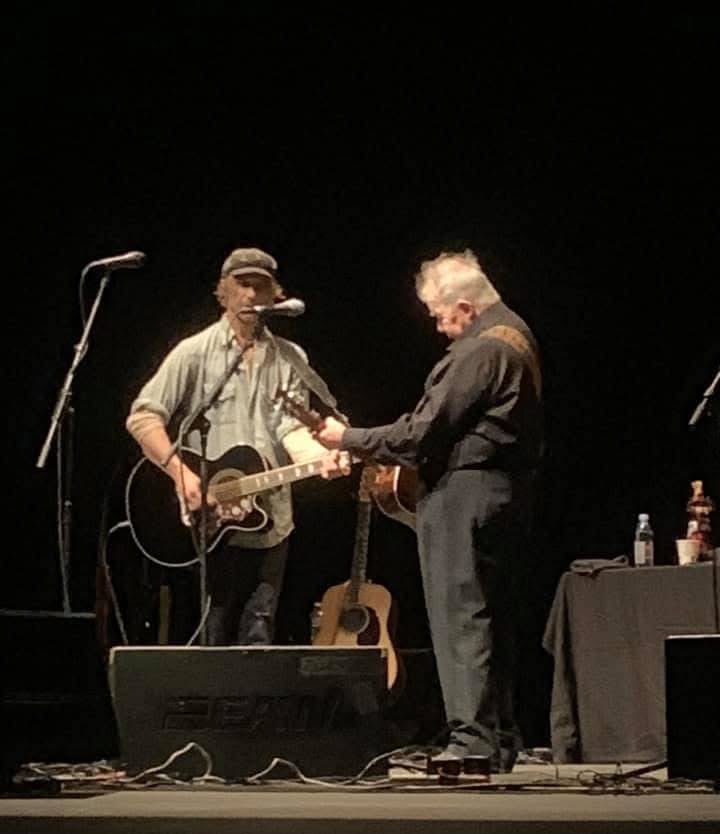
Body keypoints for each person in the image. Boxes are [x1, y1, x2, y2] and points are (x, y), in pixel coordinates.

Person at [317, 250, 543, 771]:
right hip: (507, 494)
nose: (441, 329)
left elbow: (420, 433)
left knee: (459, 617)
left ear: (464, 307)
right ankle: (499, 737)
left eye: (441, 317)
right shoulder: (519, 335)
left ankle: (470, 741)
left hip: (467, 494)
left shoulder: (480, 350)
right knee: (493, 619)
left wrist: (347, 437)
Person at [126, 246, 347, 646]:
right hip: (211, 520)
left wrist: (321, 459)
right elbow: (143, 417)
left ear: (274, 296)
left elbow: (289, 428)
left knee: (259, 631)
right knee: (214, 630)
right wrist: (182, 476)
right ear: (223, 292)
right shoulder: (194, 352)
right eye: (241, 285)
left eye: (260, 287)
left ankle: (254, 710)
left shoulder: (290, 358)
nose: (250, 296)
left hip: (271, 520)